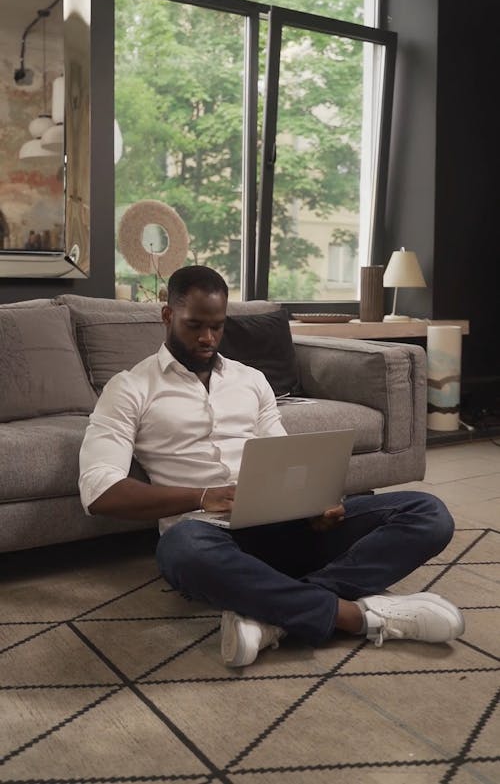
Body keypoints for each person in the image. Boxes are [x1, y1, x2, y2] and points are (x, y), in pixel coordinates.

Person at [79, 265, 465, 667]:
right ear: (166, 316)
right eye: (194, 325)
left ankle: (272, 616)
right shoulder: (129, 388)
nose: (207, 338)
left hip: (284, 526)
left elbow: (285, 460)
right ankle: (353, 616)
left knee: (428, 513)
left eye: (217, 326)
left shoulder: (251, 381)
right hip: (208, 537)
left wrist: (315, 502)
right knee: (180, 551)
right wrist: (204, 497)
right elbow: (99, 490)